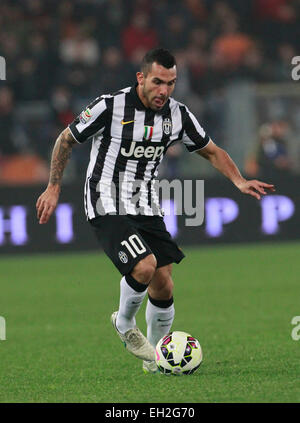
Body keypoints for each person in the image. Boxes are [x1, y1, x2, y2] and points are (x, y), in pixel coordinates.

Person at [36, 48, 275, 373]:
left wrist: (239, 181)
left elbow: (212, 151)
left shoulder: (178, 115)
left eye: (171, 83)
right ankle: (124, 324)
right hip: (106, 199)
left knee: (163, 283)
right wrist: (53, 187)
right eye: (158, 81)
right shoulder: (110, 106)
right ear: (141, 78)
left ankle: (158, 362)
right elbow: (66, 140)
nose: (164, 90)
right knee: (144, 267)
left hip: (145, 203)